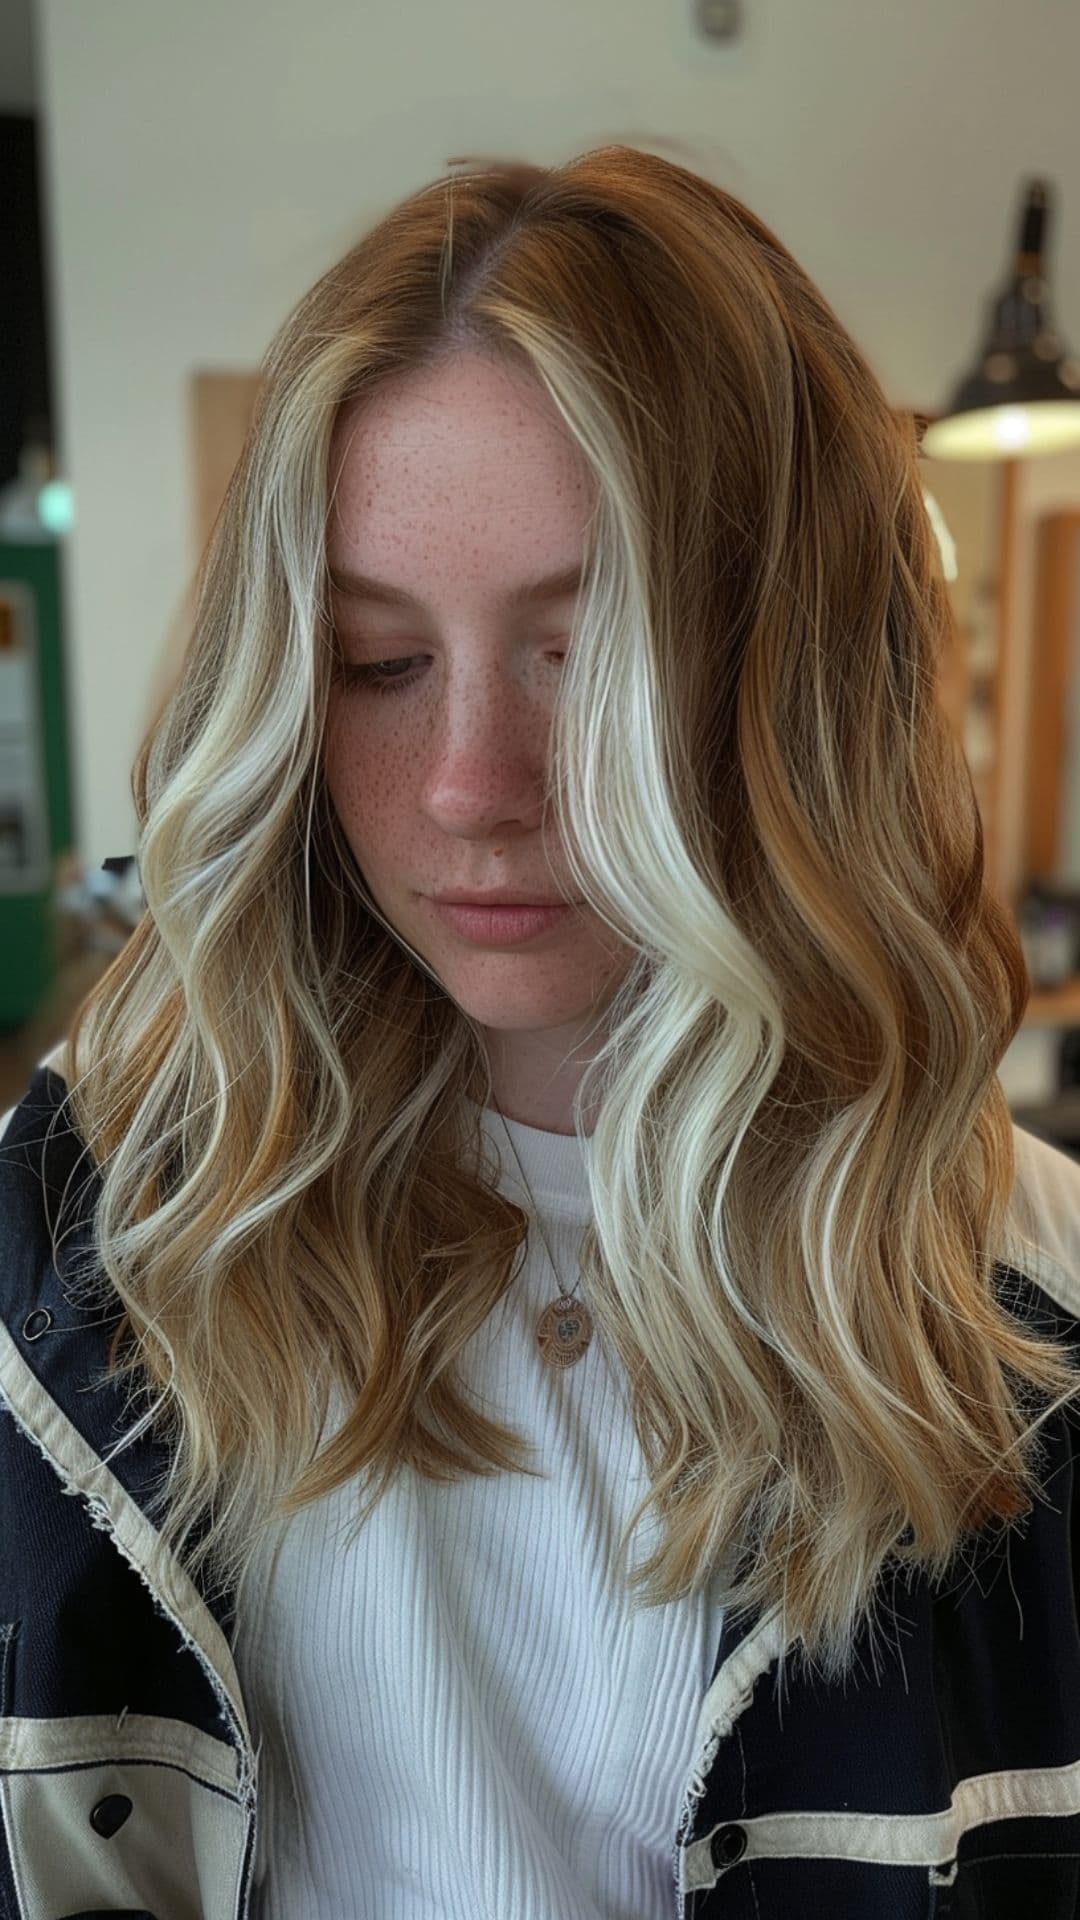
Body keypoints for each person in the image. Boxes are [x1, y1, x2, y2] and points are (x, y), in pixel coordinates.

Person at [2, 142, 1080, 1920]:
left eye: (595, 658)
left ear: (791, 684)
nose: (471, 789)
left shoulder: (1023, 1319)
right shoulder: (96, 1240)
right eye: (375, 662)